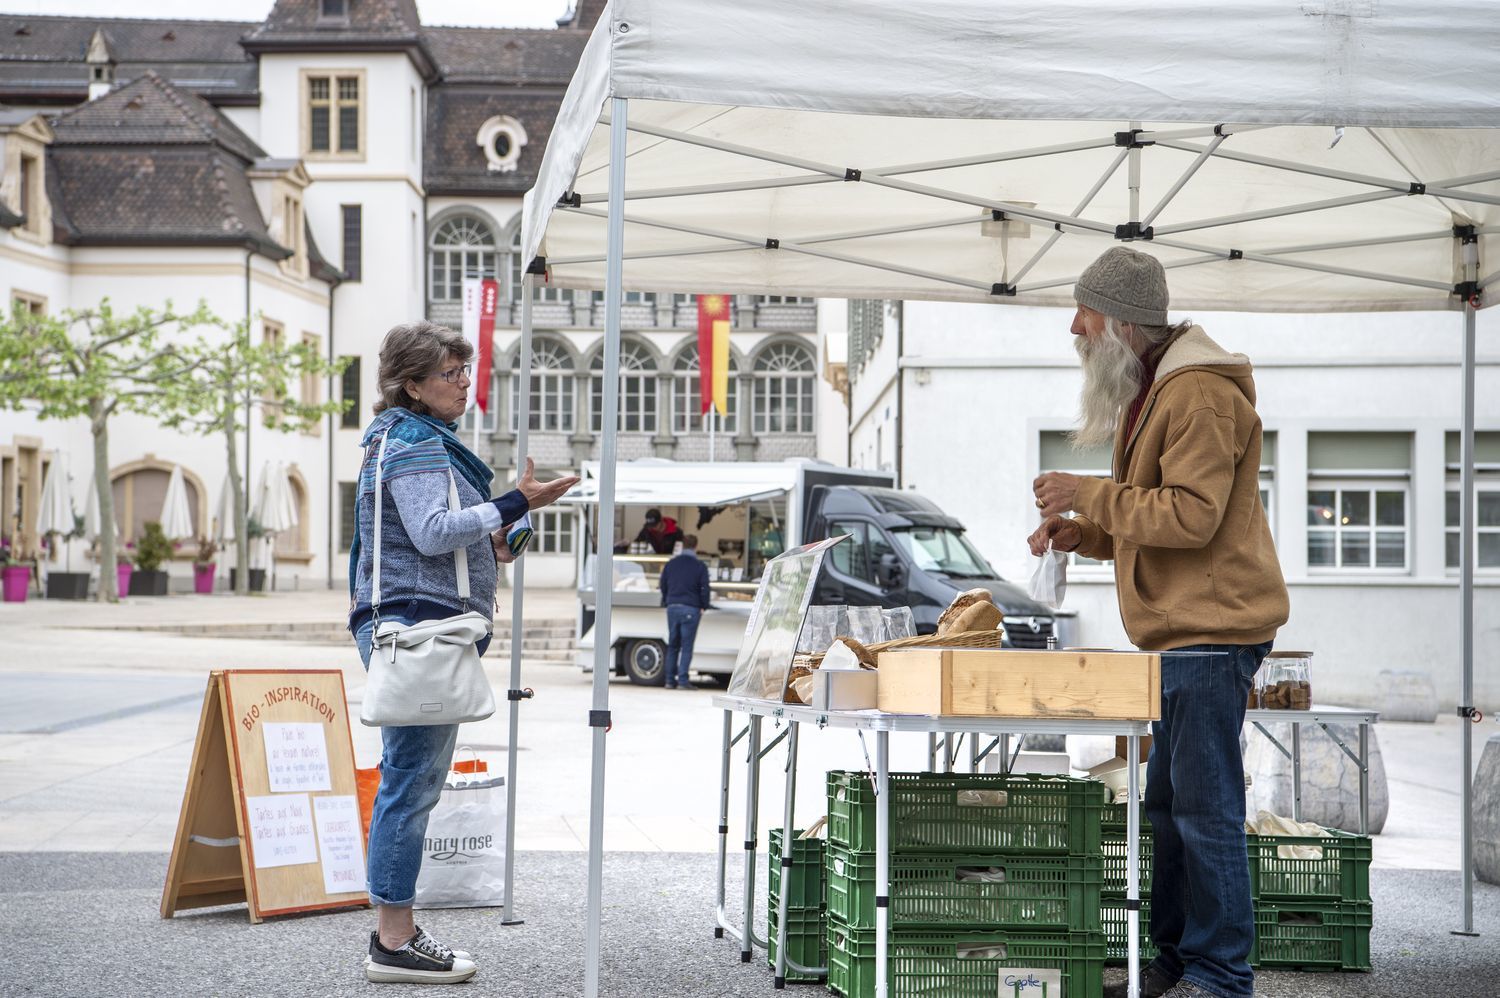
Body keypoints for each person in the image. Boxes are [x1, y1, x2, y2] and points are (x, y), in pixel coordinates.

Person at [1027, 247, 1289, 998]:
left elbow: (1193, 516)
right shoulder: (1154, 391)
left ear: (1120, 323)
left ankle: (1220, 975)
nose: (1073, 328)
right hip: (1182, 636)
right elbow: (1157, 515)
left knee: (1205, 816)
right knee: (1170, 815)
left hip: (1212, 633)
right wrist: (1091, 533)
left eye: (1083, 313)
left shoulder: (1198, 393)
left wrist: (1088, 493)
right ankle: (1179, 962)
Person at [348, 321, 577, 984]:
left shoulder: (415, 440)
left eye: (463, 371)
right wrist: (510, 499)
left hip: (420, 626)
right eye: (449, 374)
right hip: (417, 626)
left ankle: (394, 934)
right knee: (411, 784)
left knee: (411, 780)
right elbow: (430, 533)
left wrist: (514, 522)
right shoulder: (416, 440)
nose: (462, 384)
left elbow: (483, 544)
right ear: (411, 383)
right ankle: (393, 942)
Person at [658, 532, 711, 689]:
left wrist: (668, 600)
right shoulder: (699, 566)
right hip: (691, 608)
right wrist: (704, 605)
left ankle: (669, 680)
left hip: (672, 607)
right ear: (695, 546)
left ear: (682, 545)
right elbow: (705, 588)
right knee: (686, 646)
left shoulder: (671, 564)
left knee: (673, 644)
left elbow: (663, 584)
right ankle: (682, 681)